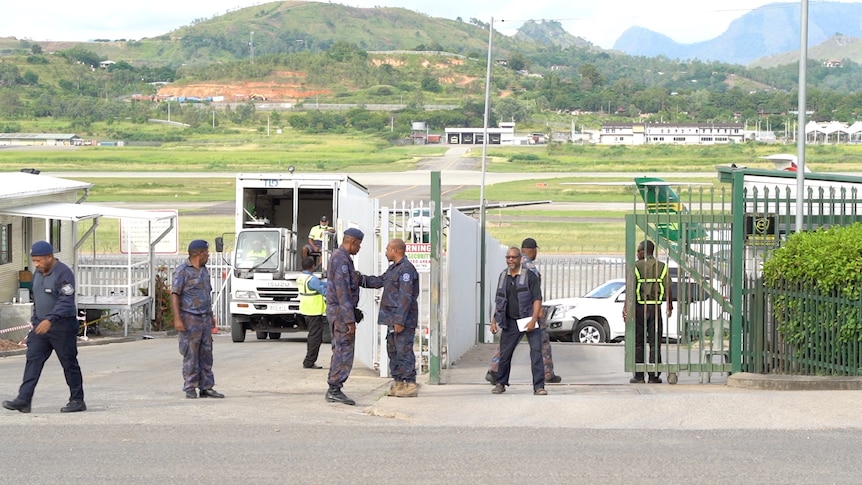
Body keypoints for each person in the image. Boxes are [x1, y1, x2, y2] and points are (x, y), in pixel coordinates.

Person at [2, 241, 86, 413]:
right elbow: (38, 299)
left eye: (39, 260)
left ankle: (77, 400)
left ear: (50, 257)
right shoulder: (37, 274)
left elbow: (66, 301)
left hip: (62, 326)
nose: (36, 264)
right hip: (40, 327)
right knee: (33, 361)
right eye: (34, 261)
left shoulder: (64, 273)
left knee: (69, 363)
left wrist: (50, 320)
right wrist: (36, 321)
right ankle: (24, 399)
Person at [486, 238, 561, 385]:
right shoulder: (530, 268)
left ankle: (494, 370)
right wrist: (537, 314)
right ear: (532, 250)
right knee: (540, 345)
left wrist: (495, 317)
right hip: (528, 314)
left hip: (512, 314)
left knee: (506, 346)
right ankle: (546, 374)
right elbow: (535, 294)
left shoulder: (510, 268)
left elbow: (501, 296)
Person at [359, 238, 420, 398]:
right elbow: (379, 281)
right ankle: (399, 382)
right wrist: (359, 278)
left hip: (402, 320)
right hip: (391, 319)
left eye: (387, 249)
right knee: (393, 350)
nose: (385, 252)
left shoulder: (406, 270)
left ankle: (411, 384)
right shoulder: (394, 269)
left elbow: (406, 297)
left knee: (404, 351)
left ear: (395, 250)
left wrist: (399, 320)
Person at [171, 239, 225, 399]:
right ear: (199, 254)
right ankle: (190, 387)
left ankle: (206, 387)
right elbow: (175, 295)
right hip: (189, 319)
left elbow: (206, 295)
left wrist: (211, 316)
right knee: (191, 355)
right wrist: (177, 319)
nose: (208, 256)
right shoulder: (182, 271)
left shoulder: (204, 270)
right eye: (207, 253)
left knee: (206, 354)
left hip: (205, 319)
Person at [490, 247, 546, 396]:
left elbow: (537, 299)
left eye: (514, 257)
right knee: (505, 354)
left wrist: (533, 320)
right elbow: (499, 300)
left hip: (529, 319)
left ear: (520, 258)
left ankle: (539, 386)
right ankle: (500, 383)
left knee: (536, 352)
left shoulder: (530, 276)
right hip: (510, 322)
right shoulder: (503, 276)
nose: (511, 260)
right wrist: (494, 320)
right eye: (508, 257)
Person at [623, 240, 673, 384]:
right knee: (655, 342)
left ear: (645, 251)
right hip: (655, 308)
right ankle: (654, 375)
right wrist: (669, 304)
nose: (637, 254)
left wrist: (626, 307)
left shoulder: (636, 266)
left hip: (640, 308)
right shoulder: (662, 267)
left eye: (638, 251)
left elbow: (631, 288)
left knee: (638, 342)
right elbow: (668, 286)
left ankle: (638, 376)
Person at [325, 227, 365, 405]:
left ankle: (334, 388)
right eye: (359, 245)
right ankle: (334, 388)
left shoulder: (342, 259)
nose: (359, 249)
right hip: (341, 314)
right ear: (353, 242)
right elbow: (342, 293)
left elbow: (353, 282)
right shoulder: (341, 260)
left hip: (340, 311)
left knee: (341, 349)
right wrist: (350, 320)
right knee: (343, 350)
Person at [298, 256, 327, 370]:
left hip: (306, 309)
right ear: (312, 267)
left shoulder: (302, 277)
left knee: (312, 335)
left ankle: (309, 360)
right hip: (314, 311)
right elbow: (323, 290)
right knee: (315, 338)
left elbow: (321, 284)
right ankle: (309, 361)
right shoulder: (312, 280)